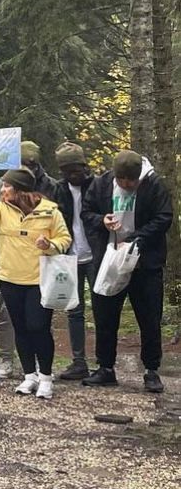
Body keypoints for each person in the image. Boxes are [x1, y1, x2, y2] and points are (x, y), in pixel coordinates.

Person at [0, 162, 71, 399]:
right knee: (21, 329)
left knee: (38, 327)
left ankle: (46, 377)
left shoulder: (50, 211)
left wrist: (50, 245)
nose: (3, 189)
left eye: (7, 186)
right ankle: (29, 376)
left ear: (21, 190)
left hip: (38, 280)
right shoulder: (1, 210)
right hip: (9, 278)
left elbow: (65, 238)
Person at [82, 149, 174, 393]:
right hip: (110, 259)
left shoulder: (153, 184)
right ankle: (105, 367)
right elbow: (86, 212)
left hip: (145, 263)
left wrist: (136, 239)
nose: (127, 185)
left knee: (149, 318)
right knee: (105, 315)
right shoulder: (101, 184)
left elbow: (164, 217)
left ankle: (151, 370)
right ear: (115, 175)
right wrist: (103, 221)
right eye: (123, 181)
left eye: (132, 181)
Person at [50, 142, 94, 381]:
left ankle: (105, 363)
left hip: (96, 254)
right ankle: (79, 362)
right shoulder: (58, 189)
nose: (72, 174)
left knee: (103, 308)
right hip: (69, 256)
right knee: (74, 310)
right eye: (67, 170)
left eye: (76, 168)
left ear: (84, 166)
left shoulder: (97, 186)